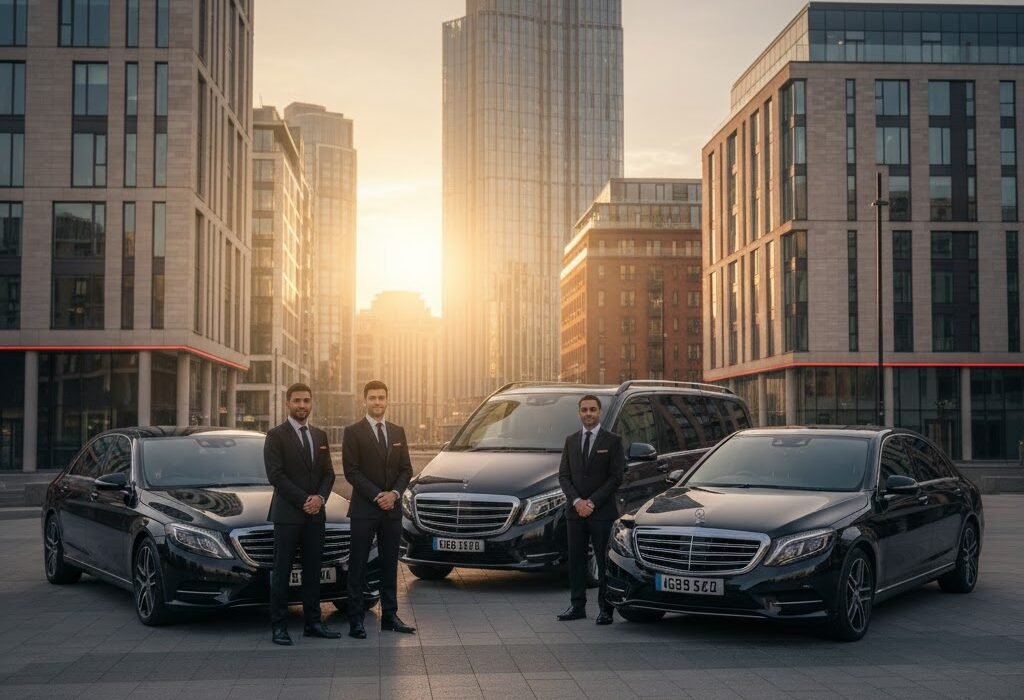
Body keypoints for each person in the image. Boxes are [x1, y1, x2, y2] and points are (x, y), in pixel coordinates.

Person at [264, 382, 341, 645]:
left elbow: (329, 473)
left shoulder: (320, 436)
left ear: (311, 403)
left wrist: (320, 498)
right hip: (287, 515)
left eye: (306, 401)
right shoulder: (276, 435)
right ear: (288, 403)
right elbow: (275, 475)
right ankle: (279, 627)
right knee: (282, 571)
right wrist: (304, 500)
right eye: (297, 401)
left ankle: (313, 623)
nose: (302, 405)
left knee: (313, 571)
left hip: (315, 515)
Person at [342, 380, 415, 638]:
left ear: (387, 400)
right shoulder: (353, 432)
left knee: (389, 565)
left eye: (381, 397)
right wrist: (377, 495)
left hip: (391, 510)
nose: (377, 402)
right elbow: (351, 471)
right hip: (364, 509)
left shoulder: (397, 431)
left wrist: (394, 494)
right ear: (365, 401)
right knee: (358, 565)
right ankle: (356, 619)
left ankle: (390, 616)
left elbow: (406, 469)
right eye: (372, 398)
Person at [556, 394, 624, 625]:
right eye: (584, 410)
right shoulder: (570, 440)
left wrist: (591, 502)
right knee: (576, 561)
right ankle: (577, 607)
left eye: (592, 410)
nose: (588, 414)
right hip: (575, 513)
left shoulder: (612, 441)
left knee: (604, 563)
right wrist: (577, 502)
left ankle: (606, 610)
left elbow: (616, 478)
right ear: (579, 413)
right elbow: (563, 476)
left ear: (599, 412)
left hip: (602, 513)